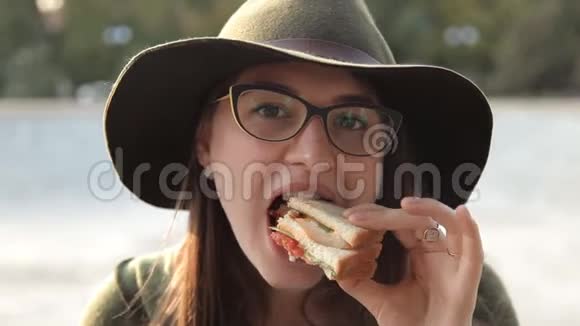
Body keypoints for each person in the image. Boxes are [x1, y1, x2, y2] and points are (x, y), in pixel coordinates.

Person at [81, 0, 519, 325]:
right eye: (269, 110)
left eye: (351, 120)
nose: (314, 156)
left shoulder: (464, 300)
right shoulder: (129, 309)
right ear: (205, 144)